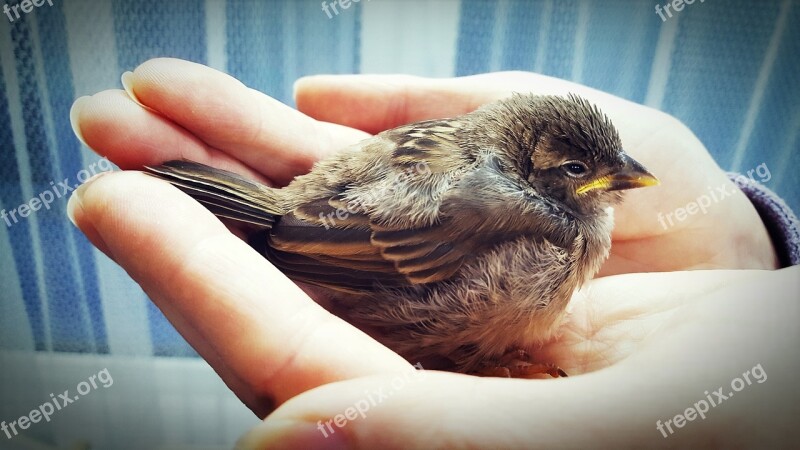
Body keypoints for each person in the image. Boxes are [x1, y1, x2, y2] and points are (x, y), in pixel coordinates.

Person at [68, 58, 799, 448]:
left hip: (323, 214)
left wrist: (748, 248)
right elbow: (403, 282)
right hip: (336, 250)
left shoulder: (474, 146)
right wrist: (282, 233)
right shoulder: (540, 232)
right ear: (539, 169)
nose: (622, 178)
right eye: (584, 170)